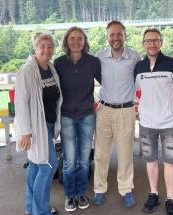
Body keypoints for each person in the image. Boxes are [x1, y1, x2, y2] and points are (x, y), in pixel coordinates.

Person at [134, 28, 173, 215]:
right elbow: (136, 92)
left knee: (170, 162)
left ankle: (170, 199)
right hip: (147, 123)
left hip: (170, 123)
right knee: (151, 161)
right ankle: (153, 194)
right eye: (148, 41)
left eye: (156, 40)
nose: (152, 44)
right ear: (143, 44)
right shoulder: (138, 68)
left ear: (161, 42)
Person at [93, 20, 141, 208]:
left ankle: (126, 189)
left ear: (124, 35)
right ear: (107, 37)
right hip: (104, 110)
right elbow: (94, 79)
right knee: (101, 154)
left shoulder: (134, 57)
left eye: (119, 34)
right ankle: (99, 189)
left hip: (126, 110)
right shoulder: (100, 57)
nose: (115, 38)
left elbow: (139, 80)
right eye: (112, 34)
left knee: (125, 153)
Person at [54, 26, 101, 212]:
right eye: (72, 38)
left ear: (84, 41)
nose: (75, 41)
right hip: (66, 116)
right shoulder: (58, 63)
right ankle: (70, 196)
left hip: (87, 116)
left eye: (79, 38)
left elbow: (108, 81)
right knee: (69, 160)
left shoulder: (93, 62)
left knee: (83, 159)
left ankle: (81, 193)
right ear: (66, 41)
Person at [14, 32, 63, 215]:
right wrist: (26, 132)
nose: (46, 50)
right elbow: (21, 103)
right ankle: (40, 211)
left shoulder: (50, 68)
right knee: (48, 165)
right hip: (35, 129)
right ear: (35, 48)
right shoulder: (27, 71)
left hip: (48, 125)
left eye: (50, 46)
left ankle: (31, 207)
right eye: (42, 46)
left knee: (35, 165)